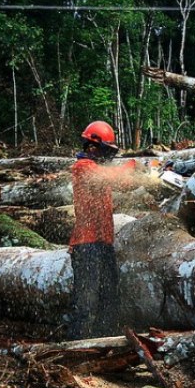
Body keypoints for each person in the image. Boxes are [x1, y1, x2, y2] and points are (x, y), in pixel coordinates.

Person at [68, 120, 137, 340]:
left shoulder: (98, 170)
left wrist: (150, 175)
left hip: (104, 243)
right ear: (92, 147)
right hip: (86, 245)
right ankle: (77, 348)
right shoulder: (83, 167)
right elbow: (113, 177)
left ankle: (103, 344)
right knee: (86, 303)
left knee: (110, 300)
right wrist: (131, 166)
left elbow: (124, 184)